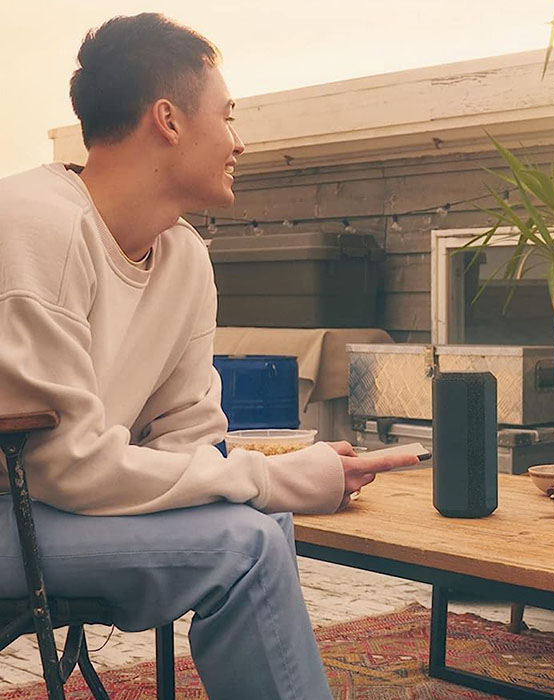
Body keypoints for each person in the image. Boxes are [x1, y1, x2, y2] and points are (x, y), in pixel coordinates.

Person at [0, 14, 414, 700]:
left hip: (46, 513)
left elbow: (189, 435)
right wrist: (271, 479)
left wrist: (279, 478)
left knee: (260, 523)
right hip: (14, 511)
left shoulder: (184, 256)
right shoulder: (32, 223)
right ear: (167, 119)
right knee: (245, 544)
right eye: (226, 116)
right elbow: (60, 465)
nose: (238, 141)